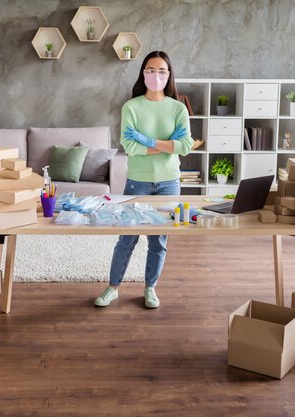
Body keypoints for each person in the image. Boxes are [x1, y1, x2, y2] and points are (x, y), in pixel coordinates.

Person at [94, 51, 193, 309]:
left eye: (162, 71)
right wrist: (166, 145)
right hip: (137, 181)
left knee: (158, 239)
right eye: (151, 70)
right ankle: (112, 287)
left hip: (170, 182)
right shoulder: (132, 106)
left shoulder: (178, 108)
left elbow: (184, 146)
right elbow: (129, 144)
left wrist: (148, 141)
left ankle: (150, 288)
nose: (156, 75)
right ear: (143, 73)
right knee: (127, 237)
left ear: (169, 75)